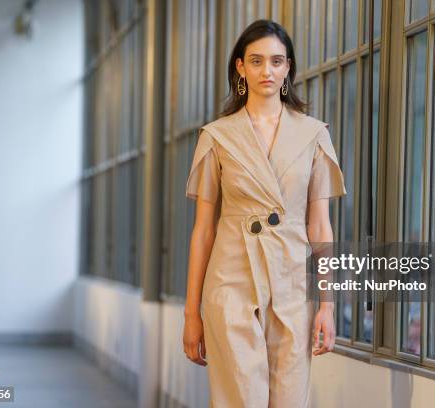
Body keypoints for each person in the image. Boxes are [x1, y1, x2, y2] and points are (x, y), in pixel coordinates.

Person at [182, 19, 346, 407]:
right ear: (240, 67)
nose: (266, 71)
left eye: (276, 61)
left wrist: (327, 305)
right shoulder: (217, 136)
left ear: (288, 67)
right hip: (230, 282)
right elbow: (202, 231)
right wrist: (192, 314)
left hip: (292, 283)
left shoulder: (313, 135)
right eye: (256, 61)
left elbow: (320, 225)